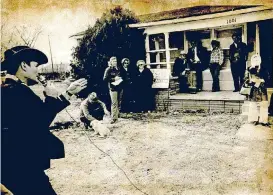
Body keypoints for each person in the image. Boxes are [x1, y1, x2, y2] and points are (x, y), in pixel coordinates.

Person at [1, 46, 87, 195]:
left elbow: (36, 116)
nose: (38, 70)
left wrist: (67, 93)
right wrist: (50, 97)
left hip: (13, 164)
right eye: (36, 65)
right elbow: (39, 122)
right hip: (22, 165)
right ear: (23, 65)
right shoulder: (16, 92)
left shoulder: (9, 89)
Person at [244, 54, 268, 125]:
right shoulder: (249, 69)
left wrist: (261, 80)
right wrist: (250, 80)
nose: (256, 61)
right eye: (254, 60)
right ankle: (253, 119)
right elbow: (245, 79)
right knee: (253, 104)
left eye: (257, 59)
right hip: (253, 89)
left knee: (263, 104)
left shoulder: (264, 69)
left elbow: (268, 78)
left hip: (262, 89)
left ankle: (263, 120)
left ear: (260, 60)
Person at [103, 56, 122, 124]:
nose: (115, 62)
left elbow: (122, 76)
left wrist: (120, 78)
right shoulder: (108, 69)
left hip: (119, 87)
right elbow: (105, 79)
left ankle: (117, 115)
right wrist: (114, 79)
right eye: (113, 61)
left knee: (119, 102)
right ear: (111, 62)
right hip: (113, 88)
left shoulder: (119, 69)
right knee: (114, 103)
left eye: (116, 61)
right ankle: (114, 118)